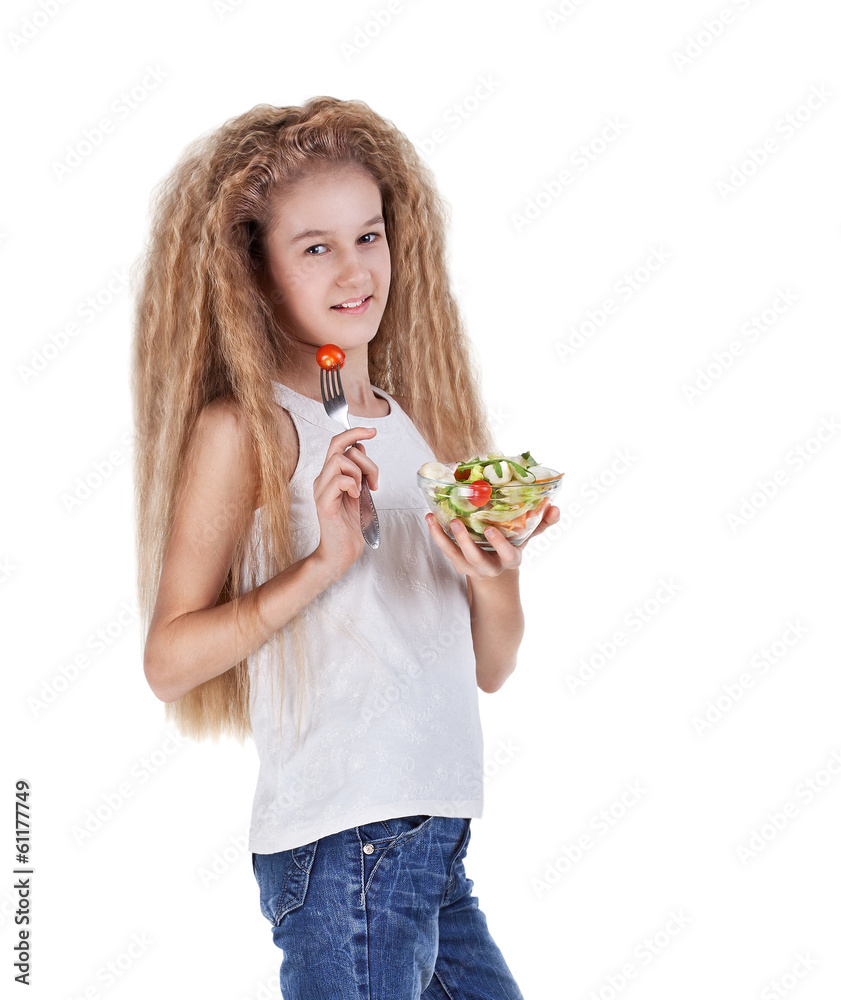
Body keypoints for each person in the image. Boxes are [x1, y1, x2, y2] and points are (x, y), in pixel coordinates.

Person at [130, 96, 559, 999]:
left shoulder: (418, 428)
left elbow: (490, 666)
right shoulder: (247, 433)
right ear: (258, 270)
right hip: (346, 847)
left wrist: (499, 576)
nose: (353, 269)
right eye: (315, 246)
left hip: (436, 846)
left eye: (368, 236)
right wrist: (322, 563)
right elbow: (168, 661)